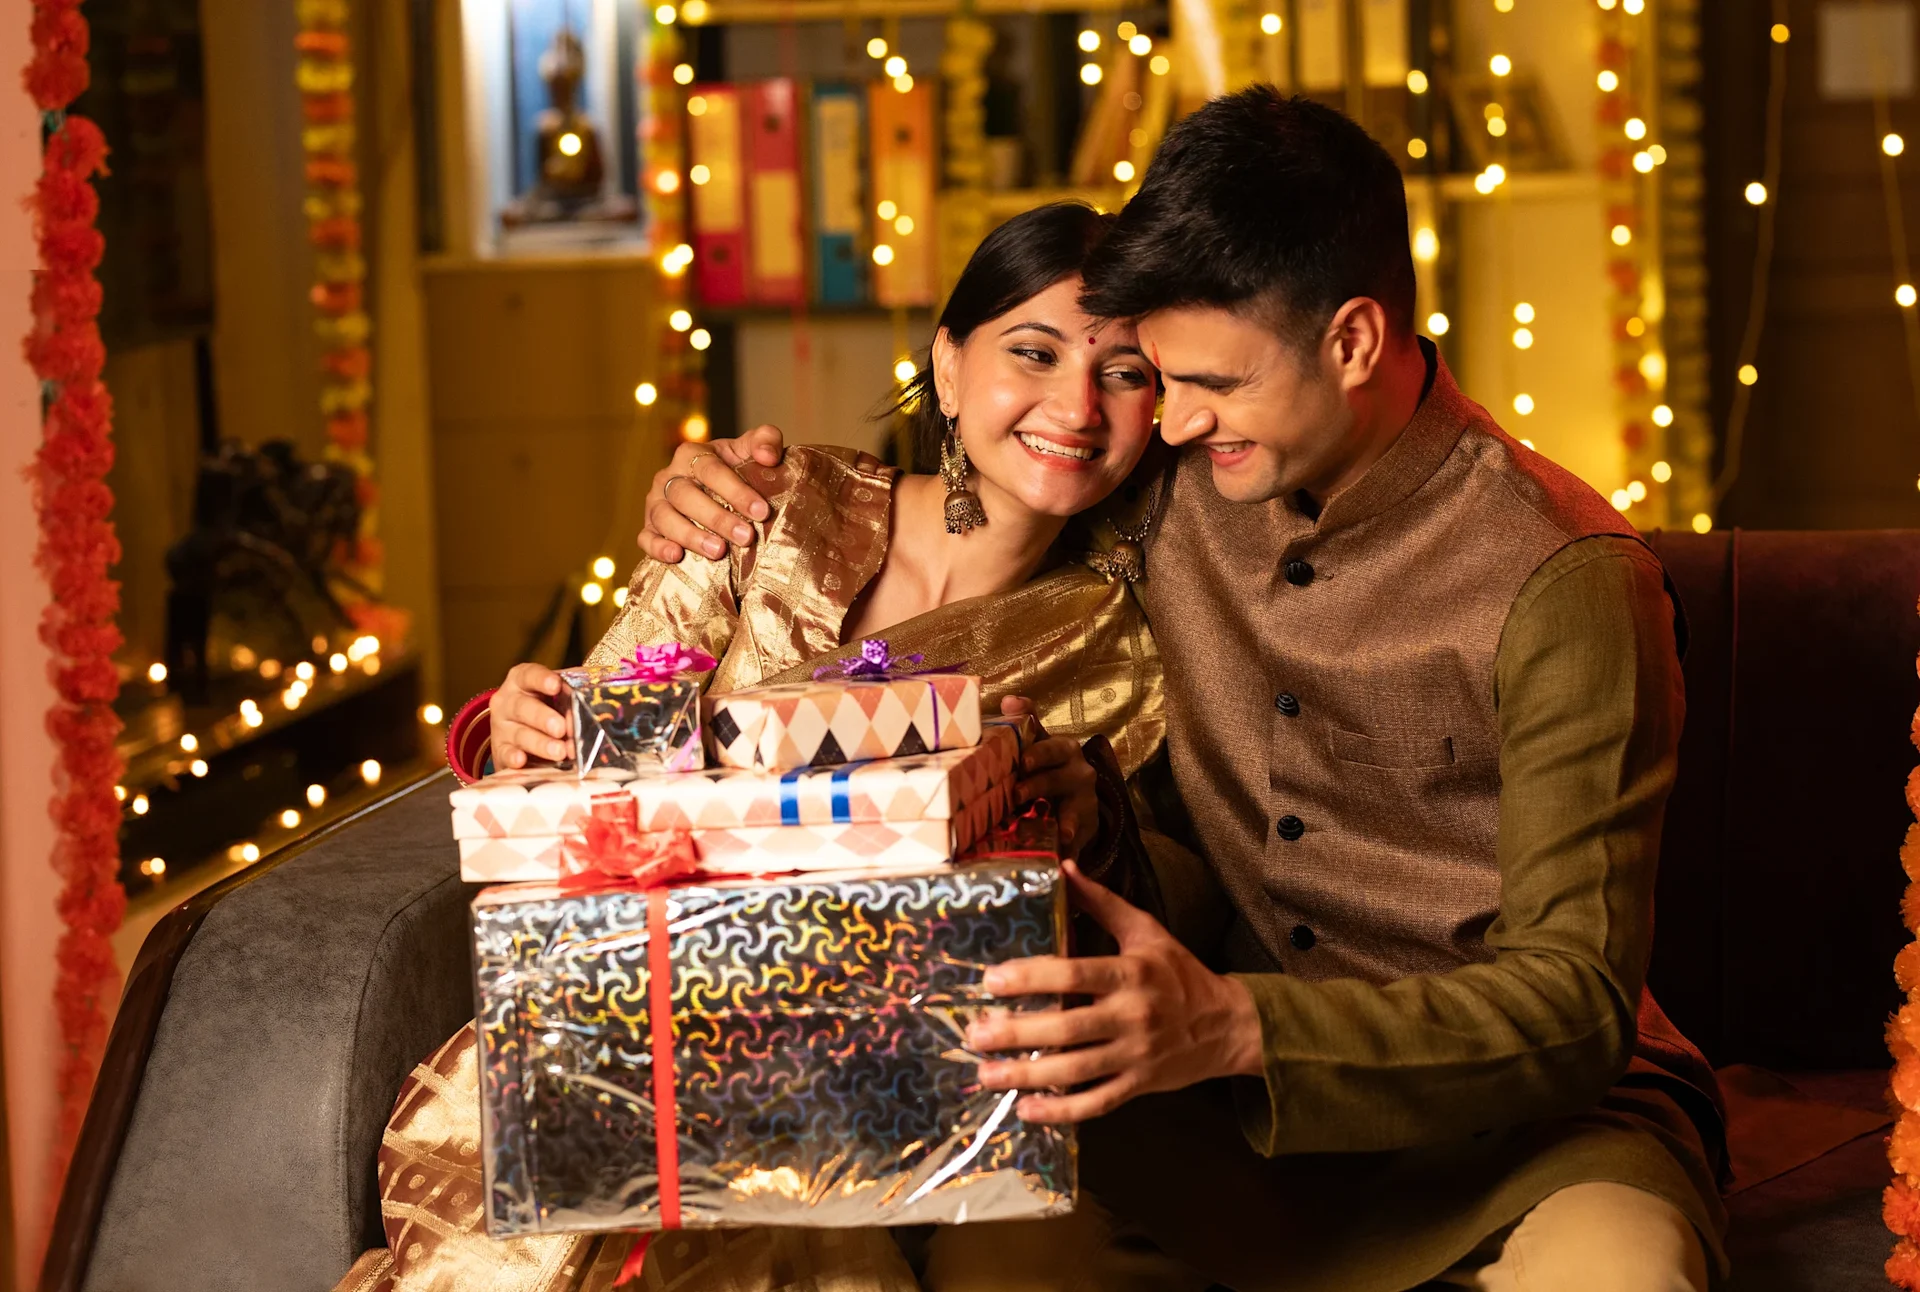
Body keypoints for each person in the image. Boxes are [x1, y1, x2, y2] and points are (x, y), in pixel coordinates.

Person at [637, 88, 1727, 1292]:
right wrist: (734, 497)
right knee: (998, 1270)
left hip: (1519, 1138)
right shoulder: (1172, 480)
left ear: (1353, 342)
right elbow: (970, 497)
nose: (1175, 418)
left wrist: (1234, 1024)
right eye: (1162, 376)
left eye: (1211, 380)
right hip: (1208, 1131)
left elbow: (1577, 1005)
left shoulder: (1566, 577)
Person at [337, 201, 1173, 1292]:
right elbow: (595, 739)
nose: (1076, 404)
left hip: (863, 1088)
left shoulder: (1120, 642)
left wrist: (1084, 825)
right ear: (948, 367)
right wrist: (523, 727)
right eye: (1035, 351)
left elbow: (1089, 922)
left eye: (1124, 372)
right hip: (613, 1020)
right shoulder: (772, 505)